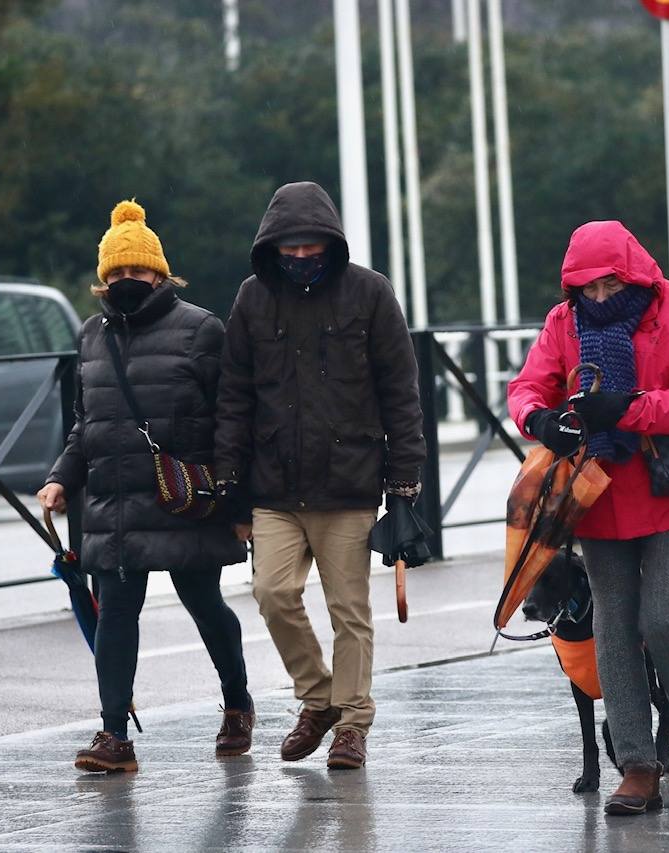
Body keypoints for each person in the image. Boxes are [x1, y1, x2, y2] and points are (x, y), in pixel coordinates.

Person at [507, 220, 669, 816]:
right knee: (613, 626)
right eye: (587, 289)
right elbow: (527, 386)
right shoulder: (562, 322)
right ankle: (635, 765)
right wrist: (539, 420)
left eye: (610, 285)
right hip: (595, 490)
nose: (599, 299)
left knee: (661, 618)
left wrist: (626, 409)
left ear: (634, 273)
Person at [215, 181, 425, 771]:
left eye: (313, 247)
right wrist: (231, 492)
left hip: (350, 481)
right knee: (272, 594)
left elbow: (401, 395)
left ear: (331, 243)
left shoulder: (370, 292)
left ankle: (352, 723)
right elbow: (233, 397)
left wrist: (405, 487)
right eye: (291, 248)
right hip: (273, 485)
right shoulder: (252, 299)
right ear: (272, 246)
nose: (303, 257)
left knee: (349, 611)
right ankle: (320, 698)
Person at [39, 200, 252, 773]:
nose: (128, 282)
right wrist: (62, 477)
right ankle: (114, 735)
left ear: (161, 274)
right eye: (117, 274)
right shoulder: (91, 336)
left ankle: (237, 704)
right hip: (114, 505)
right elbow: (89, 423)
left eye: (139, 272)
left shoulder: (202, 329)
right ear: (103, 279)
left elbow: (232, 419)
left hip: (183, 496)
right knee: (114, 614)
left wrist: (237, 501)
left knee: (204, 604)